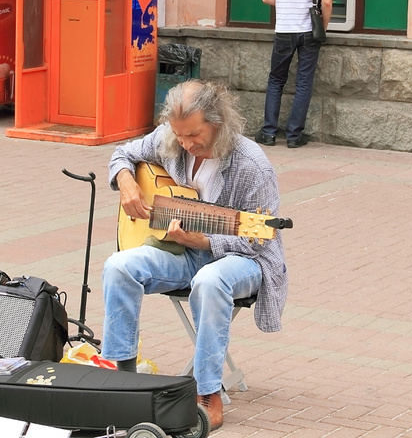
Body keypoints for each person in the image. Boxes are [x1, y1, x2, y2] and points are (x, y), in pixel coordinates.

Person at [102, 79, 287, 432]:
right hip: (184, 251)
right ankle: (123, 380)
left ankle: (208, 393)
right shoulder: (172, 139)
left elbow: (260, 241)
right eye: (180, 135)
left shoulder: (252, 165)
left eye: (194, 135)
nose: (186, 144)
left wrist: (204, 242)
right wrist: (126, 183)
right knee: (118, 266)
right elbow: (123, 154)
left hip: (243, 260)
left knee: (209, 279)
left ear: (218, 123)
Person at [255, 0, 333, 149]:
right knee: (303, 82)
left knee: (276, 80)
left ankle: (268, 133)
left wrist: (286, 2)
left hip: (284, 30)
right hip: (309, 30)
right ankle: (293, 136)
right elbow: (327, 1)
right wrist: (323, 28)